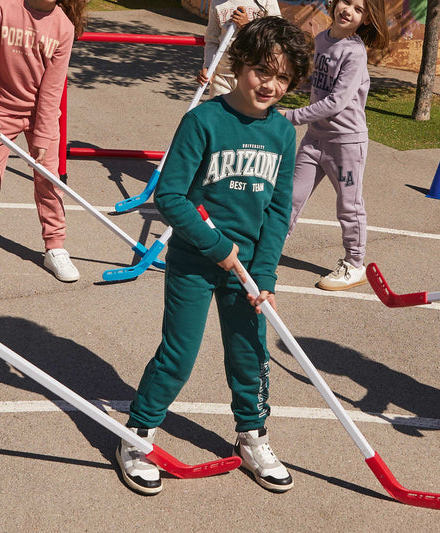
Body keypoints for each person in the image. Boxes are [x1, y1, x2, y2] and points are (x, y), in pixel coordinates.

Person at [117, 17, 312, 496]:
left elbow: (277, 211)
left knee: (250, 355)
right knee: (178, 355)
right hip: (195, 261)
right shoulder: (203, 120)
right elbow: (171, 196)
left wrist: (264, 272)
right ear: (240, 64)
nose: (270, 84)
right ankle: (137, 433)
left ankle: (252, 436)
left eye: (283, 77)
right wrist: (217, 247)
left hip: (248, 270)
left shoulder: (283, 135)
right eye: (262, 70)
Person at [0, 0, 87, 281]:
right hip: (0, 110)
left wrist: (44, 135)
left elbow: (52, 89)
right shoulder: (3, 8)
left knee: (49, 182)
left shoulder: (63, 26)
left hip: (42, 115)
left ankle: (55, 248)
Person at [281, 0, 389, 290]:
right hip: (315, 138)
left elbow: (336, 101)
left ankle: (354, 264)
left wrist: (291, 116)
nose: (348, 10)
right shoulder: (322, 39)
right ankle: (267, 251)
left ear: (365, 19)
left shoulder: (354, 52)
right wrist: (285, 84)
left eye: (358, 9)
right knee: (290, 196)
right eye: (346, 2)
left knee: (348, 206)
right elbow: (317, 82)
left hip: (345, 144)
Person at [197, 0, 281, 97]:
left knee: (246, 111)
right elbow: (212, 40)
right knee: (220, 111)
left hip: (253, 75)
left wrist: (247, 26)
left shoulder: (266, 1)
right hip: (221, 76)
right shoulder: (216, 2)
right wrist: (208, 66)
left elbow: (276, 33)